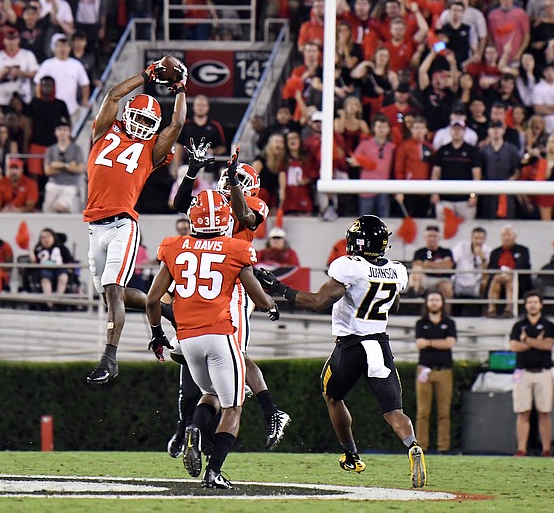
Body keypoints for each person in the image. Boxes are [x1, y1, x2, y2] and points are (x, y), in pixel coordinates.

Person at [255, 215, 427, 488]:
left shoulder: (350, 267)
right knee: (394, 410)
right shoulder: (397, 270)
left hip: (351, 345)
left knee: (332, 397)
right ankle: (412, 445)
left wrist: (278, 287)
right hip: (379, 344)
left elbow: (317, 302)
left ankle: (351, 454)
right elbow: (392, 306)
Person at [146, 189, 279, 489]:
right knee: (233, 408)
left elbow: (152, 300)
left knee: (211, 395)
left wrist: (157, 334)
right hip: (220, 335)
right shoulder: (234, 248)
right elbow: (258, 295)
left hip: (188, 340)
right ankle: (214, 471)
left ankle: (192, 426)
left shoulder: (174, 246)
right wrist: (272, 307)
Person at [171, 143, 292, 450]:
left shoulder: (249, 203)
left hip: (236, 283)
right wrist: (193, 171)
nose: (226, 184)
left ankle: (271, 411)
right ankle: (190, 427)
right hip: (207, 284)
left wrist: (236, 183)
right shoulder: (213, 205)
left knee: (234, 354)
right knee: (208, 363)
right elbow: (180, 204)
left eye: (234, 181)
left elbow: (246, 215)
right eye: (226, 180)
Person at [83, 56, 187, 385]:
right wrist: (145, 76)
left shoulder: (152, 151)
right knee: (115, 294)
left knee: (113, 290)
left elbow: (177, 125)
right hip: (94, 227)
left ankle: (109, 358)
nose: (142, 124)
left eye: (147, 120)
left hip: (122, 225)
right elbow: (113, 95)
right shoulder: (103, 131)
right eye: (138, 116)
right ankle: (168, 311)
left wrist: (181, 90)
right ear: (127, 115)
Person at [509, 291, 554, 457]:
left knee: (544, 412)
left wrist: (527, 340)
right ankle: (521, 449)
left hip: (543, 372)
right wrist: (538, 342)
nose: (533, 305)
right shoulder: (518, 325)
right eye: (530, 302)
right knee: (523, 412)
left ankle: (546, 449)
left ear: (541, 304)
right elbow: (514, 346)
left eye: (536, 302)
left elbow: (548, 345)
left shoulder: (549, 325)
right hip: (523, 372)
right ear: (526, 305)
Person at [415, 291, 456, 454]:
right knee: (422, 412)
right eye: (431, 299)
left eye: (437, 299)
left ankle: (443, 447)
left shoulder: (449, 323)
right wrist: (440, 343)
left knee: (444, 412)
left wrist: (429, 342)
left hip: (444, 371)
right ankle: (421, 446)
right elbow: (419, 343)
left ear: (442, 303)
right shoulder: (421, 323)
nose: (434, 302)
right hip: (424, 370)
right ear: (426, 303)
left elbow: (450, 343)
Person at [487, 226, 533, 318]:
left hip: (516, 277)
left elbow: (524, 266)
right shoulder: (495, 252)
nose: (506, 237)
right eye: (504, 235)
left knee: (508, 279)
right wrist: (500, 274)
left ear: (515, 237)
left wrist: (510, 273)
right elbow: (491, 268)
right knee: (496, 279)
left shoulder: (523, 250)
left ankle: (509, 309)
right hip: (499, 277)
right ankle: (491, 309)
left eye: (508, 234)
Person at [43, 116, 84, 213]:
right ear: (56, 132)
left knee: (60, 206)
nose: (62, 132)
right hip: (53, 183)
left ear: (69, 132)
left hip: (70, 185)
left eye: (65, 130)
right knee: (48, 210)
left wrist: (61, 165)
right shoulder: (51, 150)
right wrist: (70, 166)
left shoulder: (76, 149)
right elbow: (48, 171)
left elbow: (80, 169)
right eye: (60, 130)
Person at [30, 227, 75, 311]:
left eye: (48, 236)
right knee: (45, 280)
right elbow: (34, 262)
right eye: (42, 238)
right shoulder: (39, 249)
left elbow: (70, 261)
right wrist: (31, 252)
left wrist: (70, 268)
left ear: (53, 237)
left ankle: (58, 301)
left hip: (60, 270)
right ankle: (49, 304)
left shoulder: (62, 248)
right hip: (45, 271)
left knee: (63, 277)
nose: (45, 239)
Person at [409, 225, 454, 302]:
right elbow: (417, 265)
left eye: (434, 236)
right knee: (416, 271)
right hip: (425, 279)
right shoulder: (419, 252)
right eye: (429, 236)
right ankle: (414, 297)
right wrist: (439, 266)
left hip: (441, 279)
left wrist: (428, 264)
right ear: (425, 237)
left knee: (447, 287)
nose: (432, 239)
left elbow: (448, 265)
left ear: (438, 237)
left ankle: (446, 313)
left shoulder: (446, 251)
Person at [451, 226, 490, 299]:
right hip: (460, 280)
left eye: (481, 239)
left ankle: (485, 309)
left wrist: (483, 258)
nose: (478, 241)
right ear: (471, 238)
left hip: (477, 283)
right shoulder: (461, 247)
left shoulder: (487, 250)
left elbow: (486, 273)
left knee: (487, 283)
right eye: (476, 238)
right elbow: (452, 262)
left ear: (484, 240)